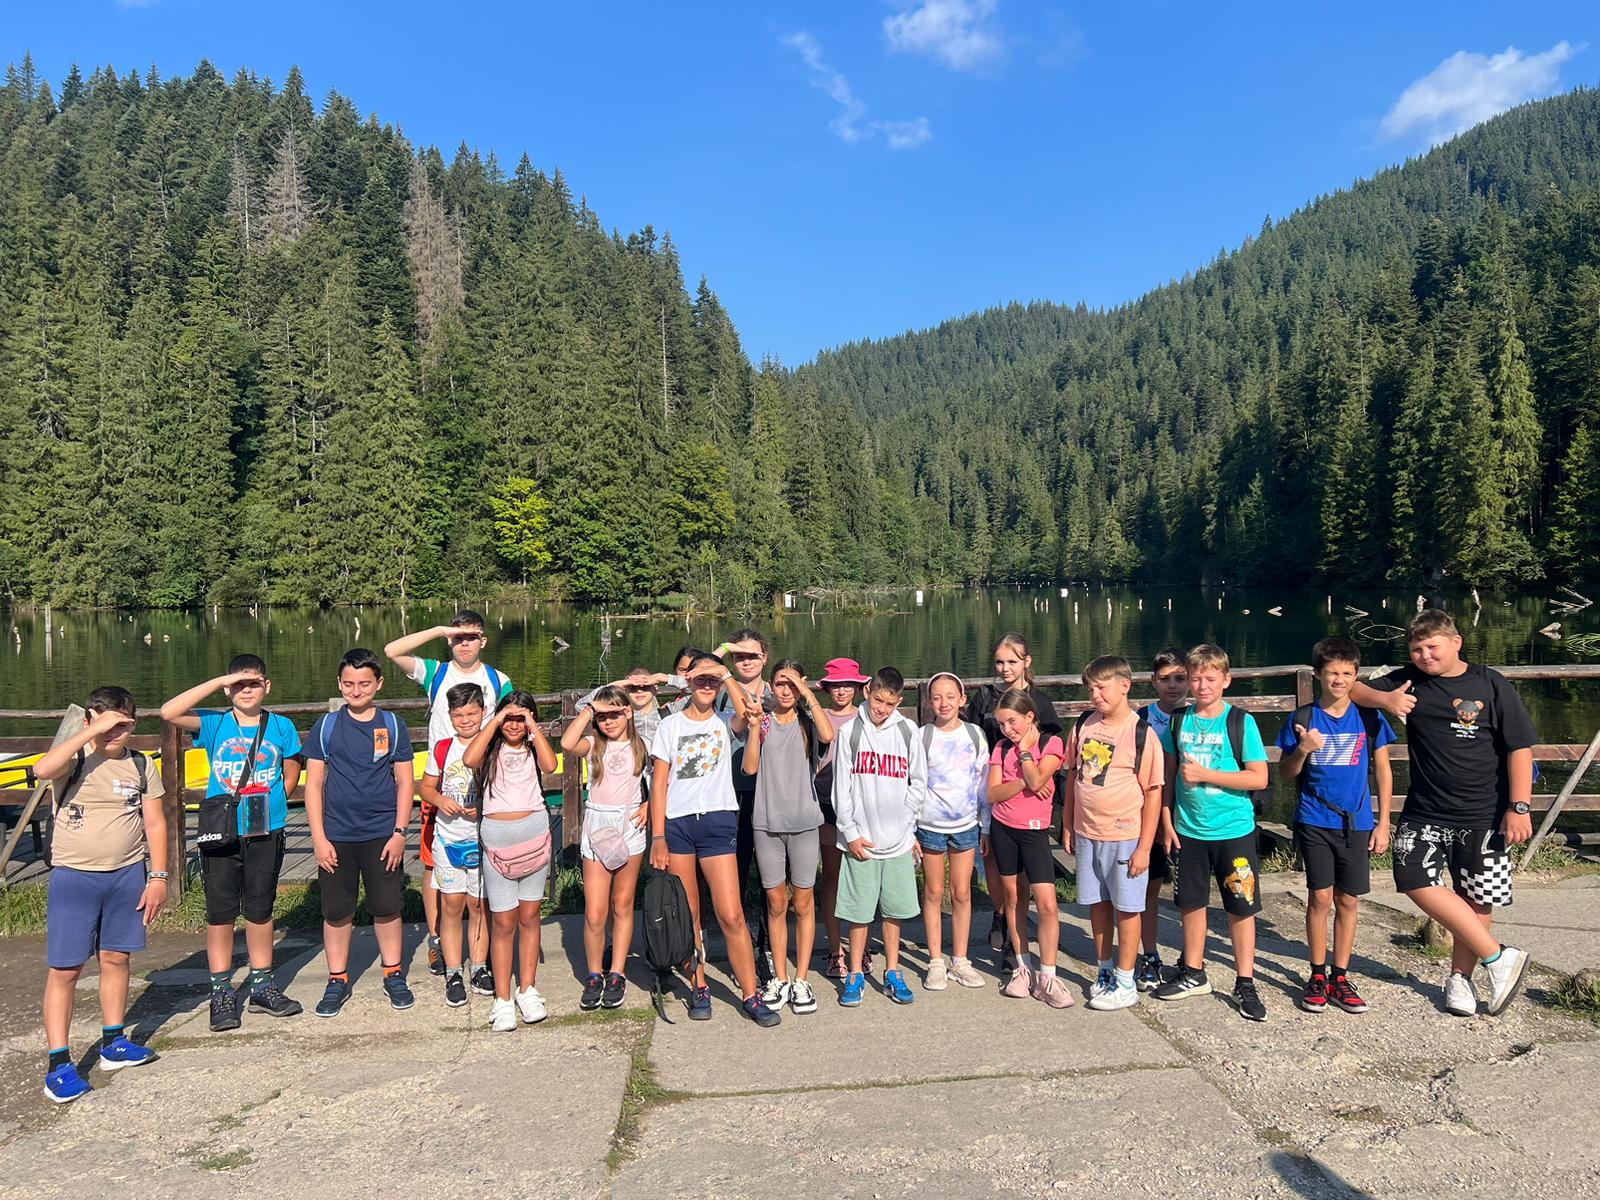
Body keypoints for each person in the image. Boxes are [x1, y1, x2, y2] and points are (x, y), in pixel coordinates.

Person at [1350, 610, 1536, 1017]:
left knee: (1477, 900)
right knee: (1411, 879)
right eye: (1416, 649)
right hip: (1425, 810)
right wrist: (1387, 699)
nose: (1425, 656)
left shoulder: (1490, 683)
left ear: (1456, 642)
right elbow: (1354, 689)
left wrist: (1519, 807)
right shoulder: (1410, 679)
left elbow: (1519, 748)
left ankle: (1461, 980)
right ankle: (1498, 957)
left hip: (1484, 813)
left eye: (1432, 647)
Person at [37, 688, 169, 1103]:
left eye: (123, 724)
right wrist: (91, 731)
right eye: (107, 723)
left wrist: (158, 877)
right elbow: (42, 769)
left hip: (126, 875)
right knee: (66, 969)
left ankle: (114, 1041)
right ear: (89, 720)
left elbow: (155, 822)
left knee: (116, 957)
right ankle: (59, 1064)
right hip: (74, 877)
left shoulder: (141, 764)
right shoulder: (74, 757)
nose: (115, 732)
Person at [160, 656, 305, 1031]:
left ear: (266, 686)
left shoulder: (281, 725)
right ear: (227, 689)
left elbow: (292, 763)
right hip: (223, 829)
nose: (246, 690)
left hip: (266, 829)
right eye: (238, 684)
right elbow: (168, 712)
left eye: (253, 683)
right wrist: (218, 681)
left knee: (260, 909)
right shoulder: (215, 722)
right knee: (221, 913)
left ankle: (261, 984)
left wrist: (278, 797)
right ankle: (221, 990)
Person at [649, 652, 780, 1026]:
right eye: (699, 679)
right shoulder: (670, 726)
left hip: (718, 820)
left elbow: (746, 714)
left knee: (731, 913)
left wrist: (725, 675)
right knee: (689, 913)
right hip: (678, 824)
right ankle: (699, 984)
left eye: (712, 681)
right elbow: (659, 784)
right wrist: (657, 836)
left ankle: (750, 994)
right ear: (687, 682)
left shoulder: (725, 721)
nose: (706, 685)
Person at [383, 611, 514, 978]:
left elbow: (510, 725)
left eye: (471, 636)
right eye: (457, 638)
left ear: (484, 640)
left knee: (485, 866)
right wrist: (441, 630)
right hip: (441, 782)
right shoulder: (436, 673)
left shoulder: (498, 680)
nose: (464, 643)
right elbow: (392, 650)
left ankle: (483, 948)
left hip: (484, 783)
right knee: (433, 866)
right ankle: (438, 938)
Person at [1277, 636, 1395, 1015]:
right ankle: (1316, 974)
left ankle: (1340, 976)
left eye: (1346, 673)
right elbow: (1285, 772)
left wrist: (1383, 822)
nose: (1339, 680)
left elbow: (1383, 771)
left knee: (1348, 899)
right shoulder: (1303, 719)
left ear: (1356, 675)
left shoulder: (1370, 718)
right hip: (1314, 819)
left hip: (1357, 822)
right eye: (1331, 673)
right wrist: (1303, 749)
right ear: (1317, 674)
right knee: (1320, 898)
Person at [1152, 644, 1270, 1022]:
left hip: (1234, 829)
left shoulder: (1240, 722)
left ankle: (1245, 980)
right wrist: (1166, 821)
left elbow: (1258, 777)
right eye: (1195, 678)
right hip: (1189, 830)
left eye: (1210, 678)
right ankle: (1194, 971)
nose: (1202, 685)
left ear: (1226, 680)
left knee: (1241, 906)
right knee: (1191, 904)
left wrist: (1207, 775)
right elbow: (1168, 776)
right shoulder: (1179, 722)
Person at [304, 649, 416, 1018]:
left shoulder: (393, 725)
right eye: (349, 684)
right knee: (337, 911)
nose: (356, 690)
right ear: (339, 684)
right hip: (336, 834)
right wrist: (319, 839)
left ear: (378, 684)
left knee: (387, 906)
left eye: (364, 683)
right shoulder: (326, 726)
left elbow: (405, 782)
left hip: (383, 833)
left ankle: (393, 972)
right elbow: (313, 785)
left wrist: (400, 832)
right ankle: (337, 978)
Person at [1065, 656, 1165, 1011]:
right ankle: (1104, 969)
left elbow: (1153, 793)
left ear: (1125, 686)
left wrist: (1144, 847)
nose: (1095, 695)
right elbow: (1073, 777)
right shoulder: (1083, 724)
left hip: (1125, 835)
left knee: (1127, 907)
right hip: (1087, 832)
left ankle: (1126, 979)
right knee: (1098, 904)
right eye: (1090, 689)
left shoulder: (1141, 733)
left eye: (1102, 687)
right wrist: (1067, 824)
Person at [963, 633, 1062, 964]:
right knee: (994, 862)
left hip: (1028, 792)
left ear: (1026, 662)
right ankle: (1002, 916)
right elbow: (972, 741)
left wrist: (1041, 780)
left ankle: (1015, 932)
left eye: (1012, 661)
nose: (1005, 668)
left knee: (1025, 872)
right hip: (992, 785)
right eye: (999, 662)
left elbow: (1050, 746)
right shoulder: (985, 698)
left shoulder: (1039, 702)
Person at [463, 691, 559, 1031]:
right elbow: (469, 758)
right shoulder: (490, 750)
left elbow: (551, 765)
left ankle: (527, 988)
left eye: (521, 718)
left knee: (530, 916)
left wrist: (532, 725)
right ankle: (502, 997)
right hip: (498, 844)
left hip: (534, 838)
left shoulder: (534, 748)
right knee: (503, 921)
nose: (514, 725)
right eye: (509, 718)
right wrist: (496, 722)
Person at [833, 667, 927, 1007]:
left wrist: (907, 824)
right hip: (862, 842)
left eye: (890, 703)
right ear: (867, 692)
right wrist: (851, 833)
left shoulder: (907, 731)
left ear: (899, 701)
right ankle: (855, 973)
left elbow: (919, 782)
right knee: (859, 913)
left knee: (893, 911)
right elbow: (841, 788)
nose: (882, 709)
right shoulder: (850, 732)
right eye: (878, 700)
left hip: (898, 841)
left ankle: (893, 972)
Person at [745, 660, 834, 1015]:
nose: (786, 690)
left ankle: (801, 978)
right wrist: (754, 727)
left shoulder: (807, 722)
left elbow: (828, 736)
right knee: (776, 903)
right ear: (770, 685)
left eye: (792, 684)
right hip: (767, 823)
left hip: (804, 823)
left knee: (804, 902)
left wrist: (806, 692)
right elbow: (750, 767)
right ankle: (780, 977)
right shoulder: (763, 721)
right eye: (780, 683)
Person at [561, 686, 649, 1010]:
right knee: (595, 912)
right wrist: (589, 709)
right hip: (598, 826)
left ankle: (617, 973)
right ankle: (594, 973)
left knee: (622, 904)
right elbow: (566, 743)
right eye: (603, 717)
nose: (609, 721)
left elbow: (663, 778)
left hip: (630, 824)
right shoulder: (593, 745)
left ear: (627, 713)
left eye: (615, 714)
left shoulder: (642, 745)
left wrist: (650, 804)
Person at [988, 690, 1073, 1008]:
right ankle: (1022, 967)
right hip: (1004, 829)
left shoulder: (1051, 743)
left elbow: (1040, 781)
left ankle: (1048, 975)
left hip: (1034, 832)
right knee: (1013, 898)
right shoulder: (1000, 747)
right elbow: (993, 794)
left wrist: (1025, 753)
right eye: (1001, 724)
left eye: (1012, 722)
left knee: (1047, 904)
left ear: (1030, 717)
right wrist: (1024, 782)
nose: (1007, 729)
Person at [418, 683, 492, 1007]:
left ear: (483, 712)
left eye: (471, 713)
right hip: (448, 837)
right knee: (451, 905)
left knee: (478, 905)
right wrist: (439, 800)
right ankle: (452, 972)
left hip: (482, 838)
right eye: (458, 715)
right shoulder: (443, 748)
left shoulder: (491, 745)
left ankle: (478, 966)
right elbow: (425, 787)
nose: (465, 720)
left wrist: (484, 806)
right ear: (449, 716)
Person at [916, 672, 989, 990]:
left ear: (962, 700)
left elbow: (983, 783)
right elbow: (914, 783)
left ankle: (960, 960)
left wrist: (985, 825)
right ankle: (935, 961)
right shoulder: (923, 736)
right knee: (933, 892)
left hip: (966, 824)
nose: (943, 703)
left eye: (950, 696)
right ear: (929, 702)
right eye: (936, 697)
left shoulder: (974, 735)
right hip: (930, 825)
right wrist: (912, 829)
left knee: (962, 892)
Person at [712, 628, 775, 929]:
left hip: (769, 790)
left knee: (770, 872)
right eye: (739, 656)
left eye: (753, 655)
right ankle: (736, 935)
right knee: (735, 866)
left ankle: (766, 938)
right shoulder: (720, 689)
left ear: (765, 658)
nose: (746, 661)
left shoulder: (777, 691)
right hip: (731, 790)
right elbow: (702, 667)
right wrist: (724, 648)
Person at [1134, 649, 1188, 989]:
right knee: (1149, 889)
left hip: (1190, 815)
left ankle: (1190, 959)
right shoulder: (1141, 720)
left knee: (1191, 895)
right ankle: (1150, 954)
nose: (1172, 685)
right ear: (1153, 682)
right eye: (1165, 679)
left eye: (1180, 678)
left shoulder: (1197, 717)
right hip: (1148, 816)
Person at [815, 656, 869, 978]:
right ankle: (836, 949)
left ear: (858, 688)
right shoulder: (817, 716)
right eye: (836, 685)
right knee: (832, 878)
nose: (842, 691)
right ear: (827, 689)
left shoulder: (866, 718)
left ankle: (861, 947)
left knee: (861, 880)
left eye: (848, 685)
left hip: (861, 808)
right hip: (826, 804)